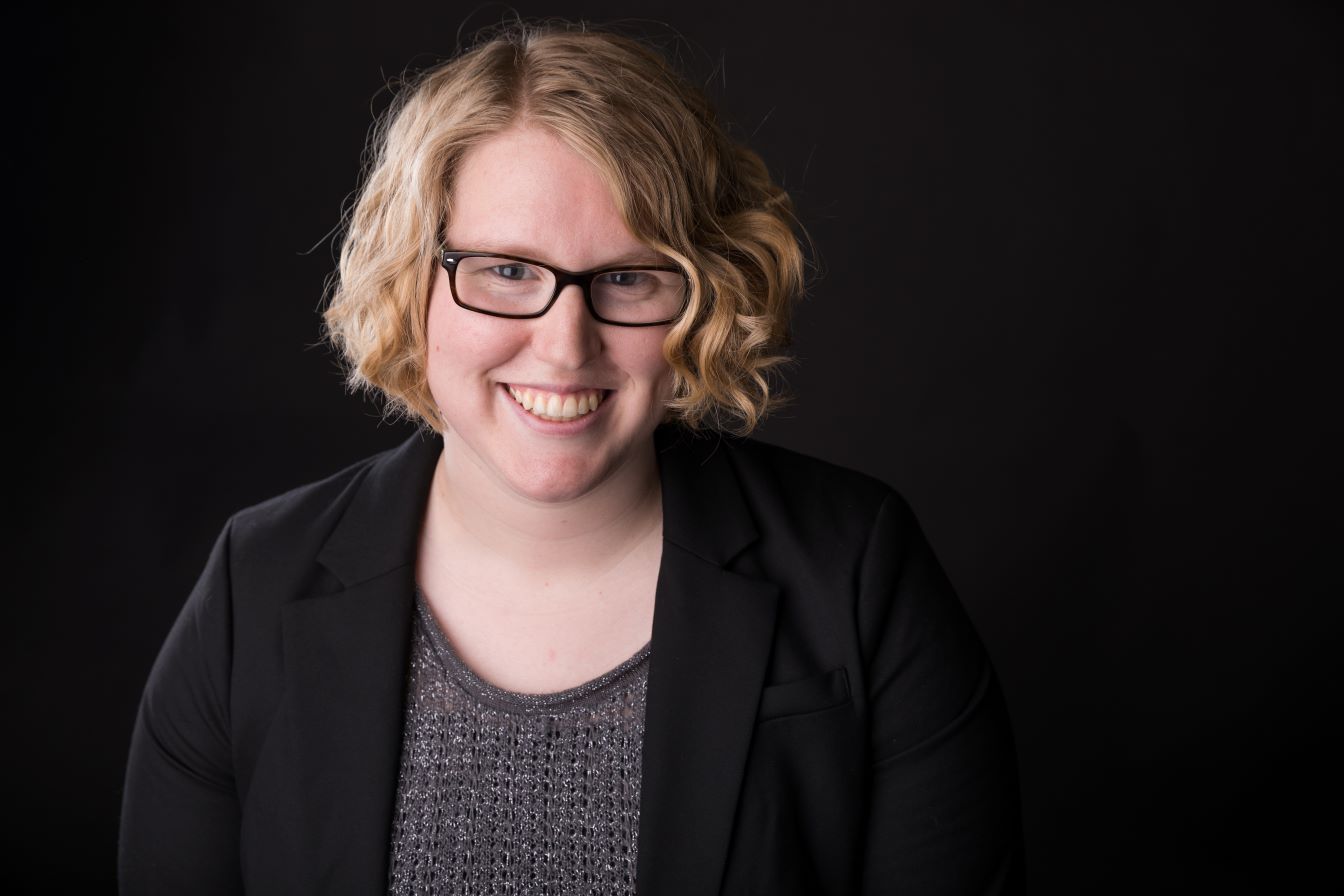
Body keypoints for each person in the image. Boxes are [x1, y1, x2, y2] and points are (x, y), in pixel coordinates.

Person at [119, 23, 1025, 895]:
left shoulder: (859, 569)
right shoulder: (257, 582)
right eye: (507, 270)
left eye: (628, 276)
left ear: (704, 297)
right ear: (412, 283)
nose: (563, 347)